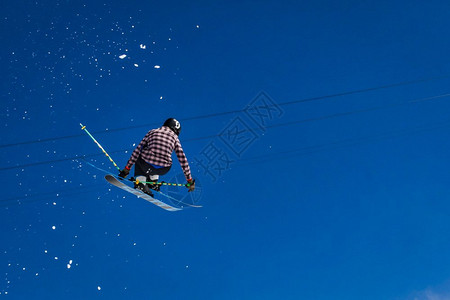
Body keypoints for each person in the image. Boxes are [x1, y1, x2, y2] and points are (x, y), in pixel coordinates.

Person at [118, 118, 195, 196]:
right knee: (161, 158)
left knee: (141, 154)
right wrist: (189, 180)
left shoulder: (152, 132)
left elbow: (137, 150)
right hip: (163, 169)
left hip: (145, 164)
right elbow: (183, 160)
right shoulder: (175, 138)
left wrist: (127, 169)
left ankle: (140, 183)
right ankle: (153, 182)